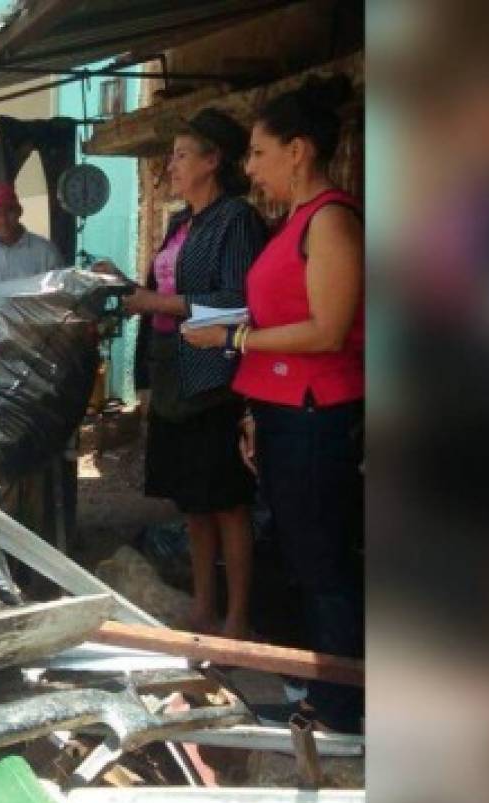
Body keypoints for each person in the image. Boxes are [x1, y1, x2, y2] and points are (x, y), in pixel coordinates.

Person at [183, 76, 364, 732]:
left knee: (322, 563)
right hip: (284, 411)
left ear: (298, 150)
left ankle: (342, 706)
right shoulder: (293, 224)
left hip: (319, 413)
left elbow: (327, 328)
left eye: (258, 153)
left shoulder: (331, 221)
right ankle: (312, 686)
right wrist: (256, 410)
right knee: (297, 555)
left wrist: (234, 336)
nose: (249, 167)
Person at [98, 109, 269, 638]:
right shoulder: (179, 222)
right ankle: (203, 607)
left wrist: (158, 300)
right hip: (173, 376)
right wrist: (125, 286)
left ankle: (237, 617)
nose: (170, 166)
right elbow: (160, 299)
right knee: (193, 503)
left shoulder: (235, 219)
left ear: (213, 160)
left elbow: (237, 302)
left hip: (214, 381)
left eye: (180, 155)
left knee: (228, 504)